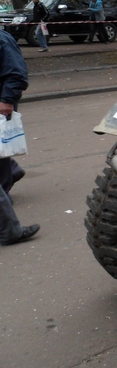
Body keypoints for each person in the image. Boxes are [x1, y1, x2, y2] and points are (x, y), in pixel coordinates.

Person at [0, 28, 39, 246]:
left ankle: (9, 229)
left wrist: (6, 100)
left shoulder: (2, 40)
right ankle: (12, 172)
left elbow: (16, 73)